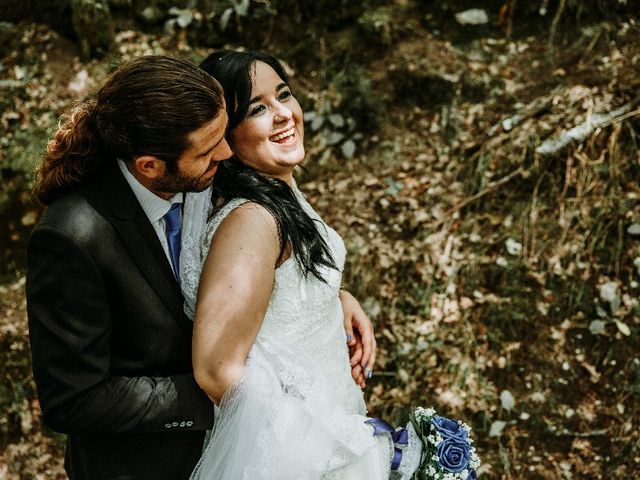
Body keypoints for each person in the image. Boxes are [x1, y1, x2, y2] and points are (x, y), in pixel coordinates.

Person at [26, 54, 375, 480]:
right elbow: (74, 398)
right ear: (150, 166)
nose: (226, 151)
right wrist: (235, 393)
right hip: (148, 466)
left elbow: (257, 277)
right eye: (210, 149)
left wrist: (332, 298)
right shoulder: (73, 236)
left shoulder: (206, 175)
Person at [178, 50, 424, 480]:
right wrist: (329, 443)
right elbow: (217, 370)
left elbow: (276, 288)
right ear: (225, 136)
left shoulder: (279, 196)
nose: (283, 114)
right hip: (305, 458)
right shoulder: (251, 219)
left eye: (284, 95)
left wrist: (335, 298)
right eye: (257, 108)